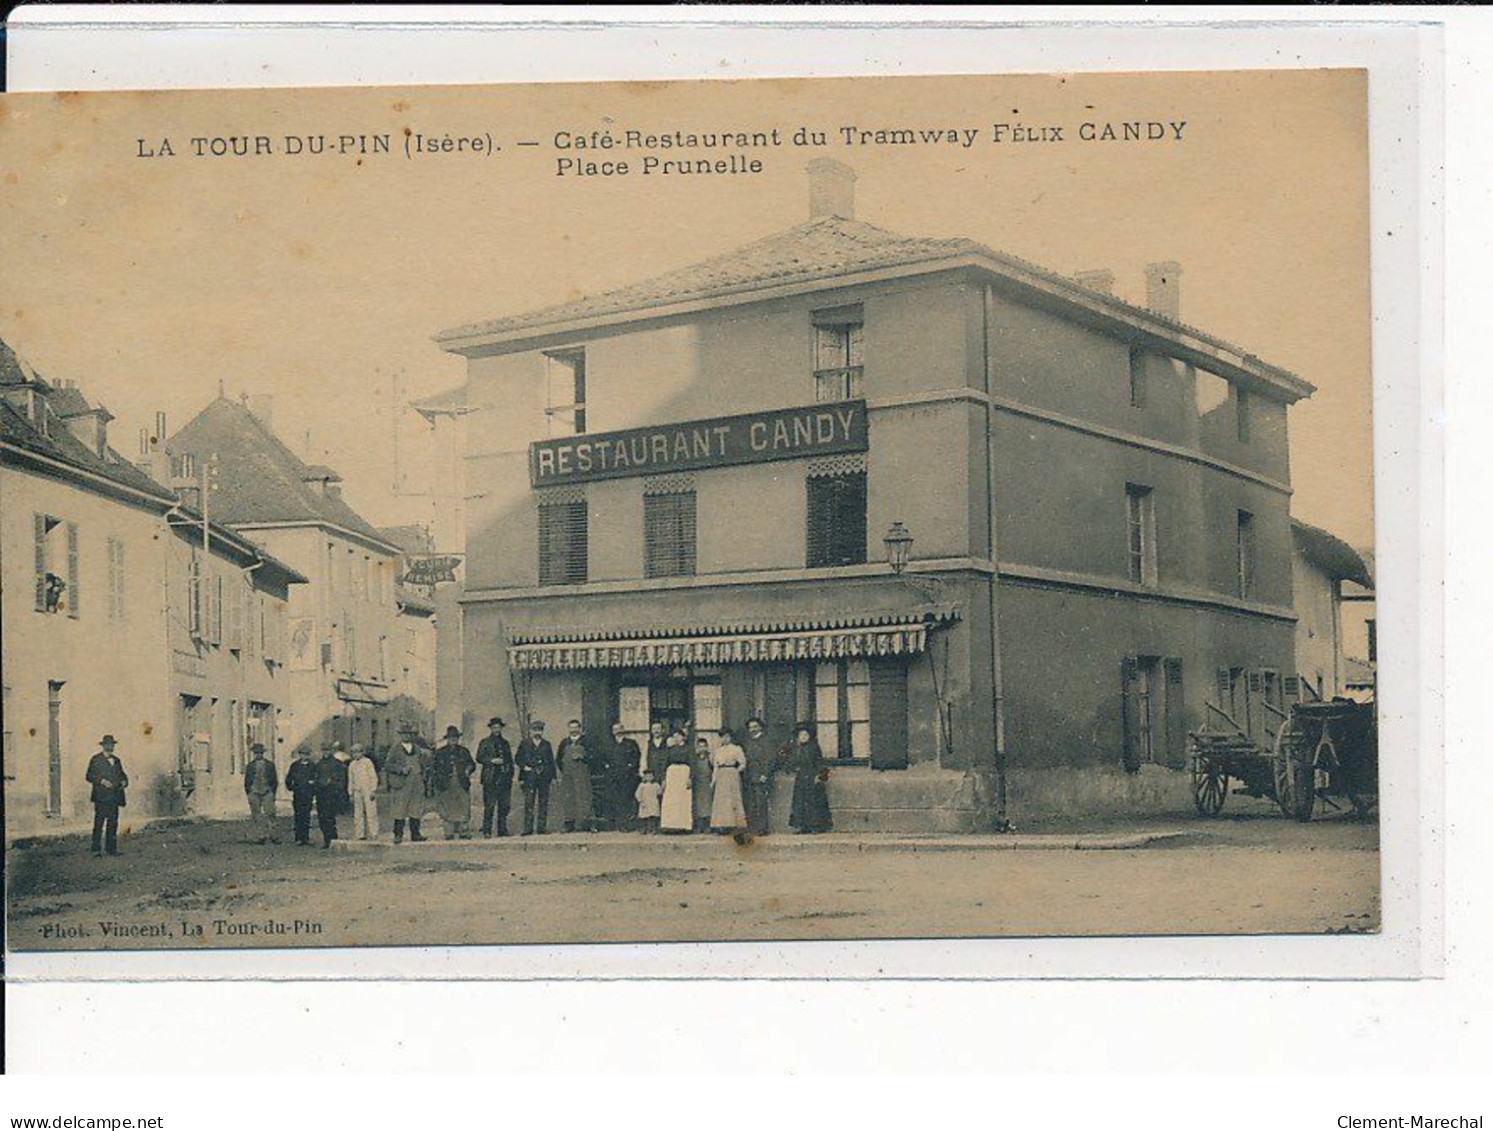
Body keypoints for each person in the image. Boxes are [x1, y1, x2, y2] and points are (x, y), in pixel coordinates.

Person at [85, 735, 129, 857]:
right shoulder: (96, 759)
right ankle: (96, 850)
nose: (111, 747)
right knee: (99, 823)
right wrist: (102, 781)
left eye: (112, 745)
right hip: (101, 797)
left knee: (113, 823)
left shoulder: (116, 760)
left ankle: (111, 849)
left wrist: (125, 781)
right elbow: (89, 776)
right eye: (108, 744)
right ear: (103, 746)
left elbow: (122, 775)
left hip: (114, 797)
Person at [383, 726, 429, 844]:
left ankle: (416, 834)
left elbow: (423, 764)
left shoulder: (417, 749)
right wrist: (401, 769)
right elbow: (388, 765)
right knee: (400, 809)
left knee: (416, 808)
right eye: (404, 734)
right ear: (400, 735)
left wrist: (423, 776)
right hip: (402, 782)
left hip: (416, 781)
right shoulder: (395, 749)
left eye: (409, 734)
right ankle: (398, 834)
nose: (407, 736)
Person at [429, 725, 476, 840]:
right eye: (451, 738)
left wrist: (468, 769)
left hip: (461, 782)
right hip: (446, 783)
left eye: (455, 738)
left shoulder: (464, 751)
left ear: (458, 739)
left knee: (463, 805)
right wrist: (438, 781)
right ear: (447, 739)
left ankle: (463, 830)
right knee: (447, 806)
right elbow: (433, 768)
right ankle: (448, 831)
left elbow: (472, 764)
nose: (453, 740)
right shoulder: (440, 752)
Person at [788, 723, 833, 834]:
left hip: (813, 777)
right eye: (801, 735)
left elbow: (819, 762)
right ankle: (803, 826)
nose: (803, 737)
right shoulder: (796, 748)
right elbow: (790, 761)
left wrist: (819, 775)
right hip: (801, 778)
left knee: (813, 801)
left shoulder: (814, 747)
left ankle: (816, 826)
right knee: (800, 802)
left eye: (805, 735)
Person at [516, 720, 556, 835]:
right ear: (530, 731)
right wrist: (524, 767)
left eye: (539, 730)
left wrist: (552, 777)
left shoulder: (546, 744)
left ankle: (541, 828)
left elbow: (551, 761)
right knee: (529, 802)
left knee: (543, 802)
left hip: (544, 777)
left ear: (542, 731)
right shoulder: (524, 743)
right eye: (535, 730)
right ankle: (528, 829)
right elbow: (518, 758)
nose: (537, 732)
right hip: (529, 777)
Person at [476, 717, 515, 837]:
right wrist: (492, 760)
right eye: (494, 728)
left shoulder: (505, 743)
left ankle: (502, 830)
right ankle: (487, 830)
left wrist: (510, 775)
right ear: (491, 729)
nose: (496, 730)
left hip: (504, 778)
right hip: (490, 777)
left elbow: (509, 760)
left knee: (504, 806)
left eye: (498, 727)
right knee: (489, 805)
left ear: (501, 728)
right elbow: (479, 758)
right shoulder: (485, 742)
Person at [741, 717, 778, 837]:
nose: (752, 729)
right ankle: (752, 827)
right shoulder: (748, 742)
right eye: (750, 727)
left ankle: (762, 828)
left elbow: (770, 759)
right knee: (751, 803)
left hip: (761, 777)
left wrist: (765, 774)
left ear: (760, 727)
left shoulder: (766, 741)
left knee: (761, 803)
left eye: (755, 727)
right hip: (749, 776)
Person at [556, 719, 594, 833]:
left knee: (584, 798)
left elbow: (594, 757)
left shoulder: (586, 741)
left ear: (579, 729)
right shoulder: (564, 742)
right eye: (571, 727)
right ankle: (569, 824)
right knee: (569, 798)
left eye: (576, 727)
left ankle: (585, 824)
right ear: (568, 729)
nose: (573, 730)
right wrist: (565, 771)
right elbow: (558, 759)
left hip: (582, 775)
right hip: (568, 775)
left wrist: (583, 758)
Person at [710, 727, 747, 834]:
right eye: (722, 737)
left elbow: (743, 763)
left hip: (731, 774)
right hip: (721, 775)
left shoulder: (736, 749)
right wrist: (713, 780)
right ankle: (722, 825)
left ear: (730, 737)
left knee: (732, 799)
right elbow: (715, 767)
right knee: (722, 801)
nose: (724, 739)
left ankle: (735, 825)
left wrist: (736, 771)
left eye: (727, 736)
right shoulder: (718, 751)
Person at [607, 722, 643, 831]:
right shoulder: (609, 744)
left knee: (627, 800)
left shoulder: (631, 743)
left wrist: (630, 768)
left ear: (623, 730)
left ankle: (627, 825)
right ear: (612, 732)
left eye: (619, 729)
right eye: (615, 729)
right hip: (614, 776)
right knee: (615, 800)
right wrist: (608, 768)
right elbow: (603, 758)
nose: (617, 731)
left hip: (627, 776)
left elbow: (636, 758)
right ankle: (617, 825)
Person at [243, 742, 279, 844]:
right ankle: (260, 836)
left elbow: (274, 780)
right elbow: (246, 781)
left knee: (270, 813)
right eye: (256, 753)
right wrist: (249, 792)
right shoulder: (250, 766)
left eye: (260, 753)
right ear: (254, 754)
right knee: (256, 815)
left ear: (263, 753)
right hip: (254, 792)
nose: (258, 754)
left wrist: (272, 792)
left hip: (267, 791)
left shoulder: (270, 765)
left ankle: (273, 836)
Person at [314, 745, 349, 848]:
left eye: (327, 750)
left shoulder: (337, 764)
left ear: (331, 751)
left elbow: (342, 779)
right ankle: (326, 839)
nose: (325, 752)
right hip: (321, 794)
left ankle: (332, 839)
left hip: (332, 794)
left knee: (330, 817)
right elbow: (316, 777)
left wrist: (335, 786)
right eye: (324, 750)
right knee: (322, 818)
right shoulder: (319, 764)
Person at [659, 730, 693, 834]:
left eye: (678, 736)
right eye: (674, 736)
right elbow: (665, 764)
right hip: (672, 775)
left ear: (683, 737)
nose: (676, 738)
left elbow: (693, 764)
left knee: (683, 800)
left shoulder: (689, 749)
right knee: (671, 799)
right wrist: (664, 779)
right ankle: (670, 825)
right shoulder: (670, 749)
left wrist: (690, 778)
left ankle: (684, 826)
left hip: (683, 773)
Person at [285, 747, 320, 846]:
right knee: (298, 815)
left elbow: (316, 778)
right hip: (298, 794)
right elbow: (289, 778)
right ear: (299, 755)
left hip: (308, 794)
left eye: (306, 754)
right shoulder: (295, 766)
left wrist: (313, 787)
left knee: (306, 816)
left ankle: (306, 837)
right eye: (302, 754)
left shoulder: (313, 766)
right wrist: (291, 787)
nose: (304, 756)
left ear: (309, 755)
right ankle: (298, 838)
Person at [347, 743, 380, 840]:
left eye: (358, 752)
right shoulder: (352, 764)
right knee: (358, 813)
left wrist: (373, 789)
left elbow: (373, 776)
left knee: (371, 812)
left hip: (368, 789)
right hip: (357, 790)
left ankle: (373, 833)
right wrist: (350, 793)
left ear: (362, 752)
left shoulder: (367, 762)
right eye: (353, 753)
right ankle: (360, 834)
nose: (355, 755)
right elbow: (350, 779)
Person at [690, 734, 714, 834]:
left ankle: (707, 826)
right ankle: (698, 826)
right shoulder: (694, 759)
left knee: (707, 804)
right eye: (700, 746)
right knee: (697, 805)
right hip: (697, 783)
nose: (702, 748)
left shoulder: (710, 758)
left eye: (704, 746)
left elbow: (713, 769)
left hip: (707, 783)